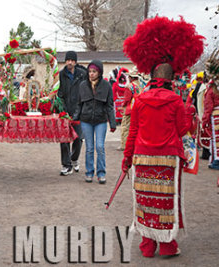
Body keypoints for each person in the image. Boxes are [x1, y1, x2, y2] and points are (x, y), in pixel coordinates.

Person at [121, 16, 203, 258]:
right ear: (171, 77)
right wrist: (189, 113)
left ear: (151, 74)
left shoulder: (140, 100)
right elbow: (181, 130)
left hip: (143, 158)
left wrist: (126, 160)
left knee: (145, 200)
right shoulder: (177, 101)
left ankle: (147, 245)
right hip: (168, 158)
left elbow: (133, 133)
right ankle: (167, 245)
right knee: (166, 200)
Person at [73, 60, 116, 183]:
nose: (91, 74)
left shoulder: (106, 86)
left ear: (99, 72)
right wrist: (75, 118)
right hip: (86, 120)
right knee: (89, 148)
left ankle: (101, 173)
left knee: (100, 147)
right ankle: (89, 172)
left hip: (100, 120)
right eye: (90, 71)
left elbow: (109, 106)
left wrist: (112, 123)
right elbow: (79, 104)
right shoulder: (82, 85)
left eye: (94, 71)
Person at [57, 51, 86, 176]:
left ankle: (74, 158)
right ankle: (66, 164)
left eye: (72, 60)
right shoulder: (61, 75)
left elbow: (85, 92)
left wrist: (81, 110)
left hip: (79, 111)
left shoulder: (82, 75)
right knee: (64, 139)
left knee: (78, 138)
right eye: (67, 60)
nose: (69, 62)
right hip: (64, 111)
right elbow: (59, 94)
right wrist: (62, 110)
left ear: (75, 62)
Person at [120, 68, 140, 150]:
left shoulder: (129, 86)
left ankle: (125, 145)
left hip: (129, 109)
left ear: (131, 77)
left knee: (126, 127)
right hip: (138, 109)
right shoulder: (140, 85)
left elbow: (127, 99)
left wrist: (122, 106)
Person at [202, 80, 219, 169]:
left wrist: (205, 120)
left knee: (216, 139)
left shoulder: (211, 90)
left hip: (216, 115)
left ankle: (216, 160)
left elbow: (208, 106)